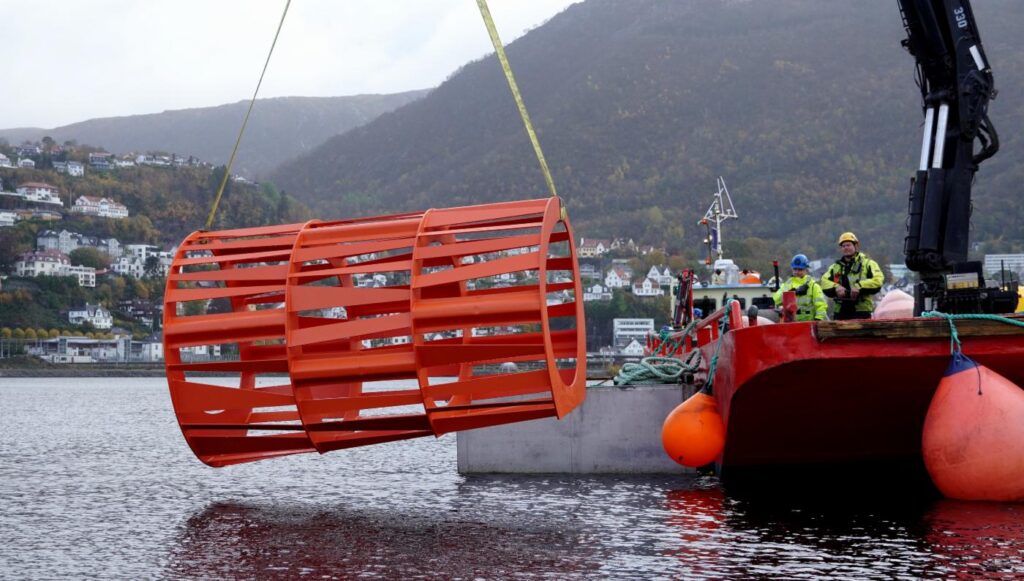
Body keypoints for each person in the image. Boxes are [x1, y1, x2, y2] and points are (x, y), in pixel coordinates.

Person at [820, 232, 884, 320]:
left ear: (856, 246)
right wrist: (836, 287)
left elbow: (878, 280)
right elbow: (824, 281)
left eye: (848, 245)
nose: (846, 248)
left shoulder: (868, 264)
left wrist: (860, 286)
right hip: (840, 312)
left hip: (861, 311)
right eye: (843, 246)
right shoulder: (835, 267)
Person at [772, 254, 827, 321]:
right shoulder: (787, 285)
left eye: (800, 269)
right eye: (795, 269)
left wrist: (818, 320)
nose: (797, 272)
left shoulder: (813, 286)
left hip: (808, 325)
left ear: (806, 270)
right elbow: (776, 301)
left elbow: (821, 306)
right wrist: (792, 292)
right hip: (790, 324)